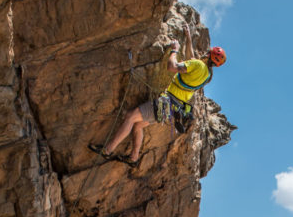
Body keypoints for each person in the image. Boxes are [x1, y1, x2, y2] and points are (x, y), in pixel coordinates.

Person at [89, 22, 226, 166]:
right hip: (171, 109)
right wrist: (188, 37)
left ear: (208, 53)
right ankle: (134, 158)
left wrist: (174, 50)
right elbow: (191, 60)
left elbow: (172, 67)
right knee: (138, 126)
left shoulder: (198, 65)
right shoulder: (205, 75)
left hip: (166, 103)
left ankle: (107, 150)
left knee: (130, 117)